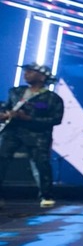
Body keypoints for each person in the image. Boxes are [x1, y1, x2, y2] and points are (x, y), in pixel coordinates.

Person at [0, 63, 64, 207]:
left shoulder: (52, 99)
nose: (26, 73)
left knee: (41, 165)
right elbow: (6, 108)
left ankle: (46, 196)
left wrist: (29, 119)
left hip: (37, 136)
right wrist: (4, 115)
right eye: (26, 71)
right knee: (1, 160)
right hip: (12, 132)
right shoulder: (15, 92)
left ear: (42, 77)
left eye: (30, 71)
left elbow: (55, 119)